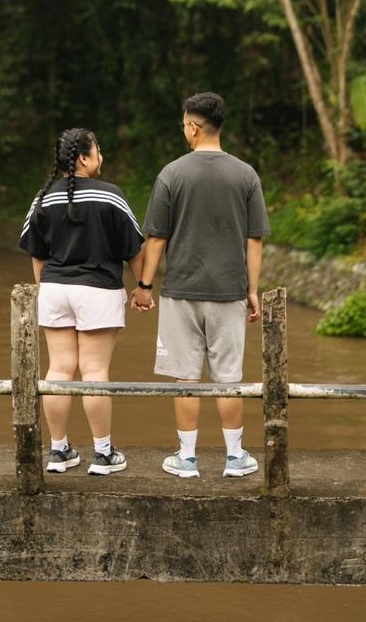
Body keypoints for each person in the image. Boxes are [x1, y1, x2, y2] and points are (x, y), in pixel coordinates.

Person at [131, 92, 269, 479]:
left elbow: (156, 238)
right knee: (229, 378)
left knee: (186, 377)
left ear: (193, 127)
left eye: (184, 126)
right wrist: (252, 290)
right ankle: (235, 457)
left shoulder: (171, 174)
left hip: (181, 291)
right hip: (230, 291)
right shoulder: (246, 175)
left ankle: (187, 458)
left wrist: (144, 286)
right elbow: (254, 239)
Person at [19, 127, 145, 476]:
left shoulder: (42, 199)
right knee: (94, 372)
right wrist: (144, 287)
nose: (101, 156)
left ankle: (59, 450)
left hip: (55, 290)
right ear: (85, 159)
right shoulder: (111, 196)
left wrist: (45, 290)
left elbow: (37, 253)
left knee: (59, 370)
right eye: (98, 150)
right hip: (98, 291)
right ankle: (103, 454)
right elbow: (134, 250)